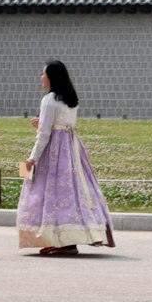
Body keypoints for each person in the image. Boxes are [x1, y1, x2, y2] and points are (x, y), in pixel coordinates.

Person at [17, 59, 115, 255]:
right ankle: (70, 239)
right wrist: (44, 125)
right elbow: (60, 125)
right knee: (71, 192)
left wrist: (32, 158)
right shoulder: (70, 98)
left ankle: (56, 238)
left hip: (53, 152)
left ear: (52, 77)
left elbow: (44, 134)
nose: (41, 77)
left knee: (48, 192)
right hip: (71, 150)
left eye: (43, 73)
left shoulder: (49, 99)